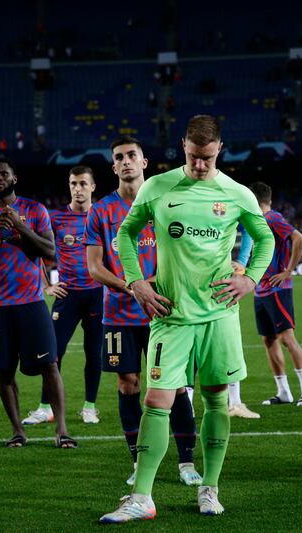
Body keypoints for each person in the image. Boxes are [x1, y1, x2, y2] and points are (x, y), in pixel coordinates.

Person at [100, 115, 274, 522]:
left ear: (219, 150)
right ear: (183, 147)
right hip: (172, 315)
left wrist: (250, 279)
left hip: (219, 316)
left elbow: (265, 238)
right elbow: (126, 233)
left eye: (208, 158)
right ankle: (142, 497)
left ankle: (209, 489)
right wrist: (136, 282)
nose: (200, 165)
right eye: (194, 157)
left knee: (215, 401)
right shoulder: (157, 187)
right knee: (155, 400)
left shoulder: (236, 193)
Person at [85, 135, 201, 487]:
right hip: (119, 314)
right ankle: (139, 460)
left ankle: (186, 462)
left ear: (144, 162)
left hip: (165, 311)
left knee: (177, 385)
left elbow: (184, 254)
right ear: (113, 166)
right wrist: (133, 286)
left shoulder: (166, 203)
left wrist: (154, 284)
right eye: (118, 157)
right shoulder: (101, 210)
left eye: (132, 155)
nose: (125, 161)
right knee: (128, 384)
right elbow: (94, 266)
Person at [0, 154, 76, 449]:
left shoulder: (34, 210)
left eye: (3, 173)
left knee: (50, 365)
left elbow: (51, 251)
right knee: (4, 371)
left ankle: (61, 430)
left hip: (32, 302)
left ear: (14, 178)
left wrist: (20, 227)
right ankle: (18, 431)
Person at [32, 166, 104, 424]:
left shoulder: (103, 216)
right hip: (67, 294)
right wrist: (45, 285)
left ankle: (89, 407)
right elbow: (36, 250)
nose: (78, 188)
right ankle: (46, 407)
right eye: (74, 183)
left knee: (94, 353)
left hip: (98, 294)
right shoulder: (56, 217)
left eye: (83, 183)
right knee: (52, 352)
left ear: (93, 187)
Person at [248, 181, 302, 408]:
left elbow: (300, 238)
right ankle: (283, 392)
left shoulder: (272, 218)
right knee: (269, 340)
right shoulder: (259, 220)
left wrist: (288, 271)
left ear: (253, 198)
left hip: (277, 288)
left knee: (287, 339)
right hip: (261, 289)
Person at [226, 226, 261, 419]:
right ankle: (186, 405)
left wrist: (241, 261)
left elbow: (250, 229)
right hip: (187, 280)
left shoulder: (229, 197)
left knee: (228, 343)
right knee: (190, 347)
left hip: (221, 280)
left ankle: (235, 402)